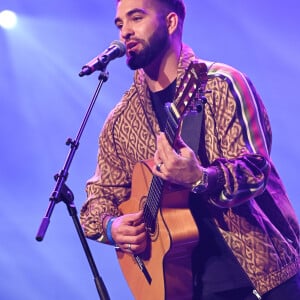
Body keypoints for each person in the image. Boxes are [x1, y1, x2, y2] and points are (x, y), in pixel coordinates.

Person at [80, 0, 300, 299]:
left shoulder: (221, 84)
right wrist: (111, 227)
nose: (126, 32)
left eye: (136, 18)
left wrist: (201, 178)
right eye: (120, 24)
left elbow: (254, 171)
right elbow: (98, 199)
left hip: (263, 276)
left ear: (170, 23)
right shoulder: (121, 121)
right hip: (179, 286)